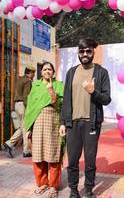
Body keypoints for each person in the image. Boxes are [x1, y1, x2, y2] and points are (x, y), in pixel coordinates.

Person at [59, 38, 111, 198]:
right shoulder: (71, 72)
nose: (85, 54)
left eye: (88, 50)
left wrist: (92, 92)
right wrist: (62, 122)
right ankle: (73, 191)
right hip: (72, 124)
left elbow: (107, 99)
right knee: (73, 160)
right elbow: (66, 98)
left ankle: (89, 190)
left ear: (93, 52)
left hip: (92, 123)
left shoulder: (101, 72)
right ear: (78, 53)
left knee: (90, 161)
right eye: (82, 51)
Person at [24, 61, 64, 198]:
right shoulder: (35, 86)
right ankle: (42, 184)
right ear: (41, 72)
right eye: (45, 69)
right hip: (37, 123)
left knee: (53, 154)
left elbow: (59, 105)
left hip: (53, 122)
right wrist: (29, 127)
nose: (47, 71)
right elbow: (30, 108)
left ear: (53, 72)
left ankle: (53, 186)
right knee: (38, 154)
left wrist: (51, 89)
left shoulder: (59, 85)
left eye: (50, 69)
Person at [3, 65, 36, 158]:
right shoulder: (27, 81)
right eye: (33, 73)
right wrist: (29, 108)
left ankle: (9, 143)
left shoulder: (20, 79)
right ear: (30, 73)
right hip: (23, 105)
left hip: (17, 105)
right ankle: (25, 151)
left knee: (22, 127)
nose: (34, 75)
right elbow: (26, 96)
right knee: (26, 128)